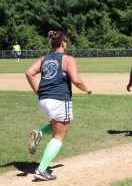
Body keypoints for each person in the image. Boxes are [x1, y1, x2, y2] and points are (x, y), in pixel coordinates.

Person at [25, 31, 92, 181]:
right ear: (63, 43)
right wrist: (87, 88)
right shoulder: (68, 59)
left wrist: (38, 91)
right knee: (59, 136)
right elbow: (76, 80)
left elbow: (29, 72)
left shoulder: (44, 58)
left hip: (43, 101)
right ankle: (41, 169)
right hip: (60, 100)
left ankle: (39, 134)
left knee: (55, 124)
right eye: (66, 41)